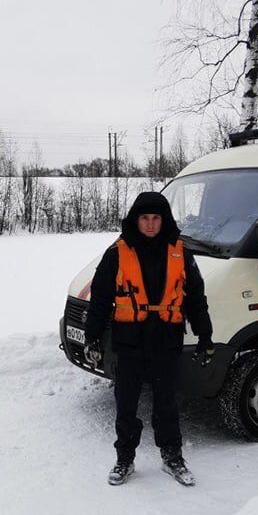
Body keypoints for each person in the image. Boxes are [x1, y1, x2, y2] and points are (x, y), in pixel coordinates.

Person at [83, 191, 213, 487]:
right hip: (129, 341)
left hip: (166, 339)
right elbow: (101, 299)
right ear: (136, 220)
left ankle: (172, 457)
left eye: (156, 218)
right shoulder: (117, 253)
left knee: (166, 403)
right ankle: (125, 458)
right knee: (126, 404)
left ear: (164, 220)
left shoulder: (181, 253)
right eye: (145, 218)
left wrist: (205, 335)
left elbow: (196, 299)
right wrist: (92, 337)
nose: (151, 224)